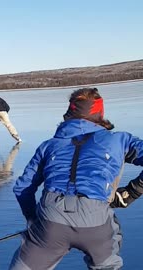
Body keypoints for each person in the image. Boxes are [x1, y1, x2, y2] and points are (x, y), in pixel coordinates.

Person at [10, 87, 143, 270]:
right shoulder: (119, 140)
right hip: (96, 221)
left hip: (50, 220)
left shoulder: (49, 145)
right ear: (100, 113)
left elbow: (22, 187)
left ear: (69, 113)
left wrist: (33, 220)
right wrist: (132, 191)